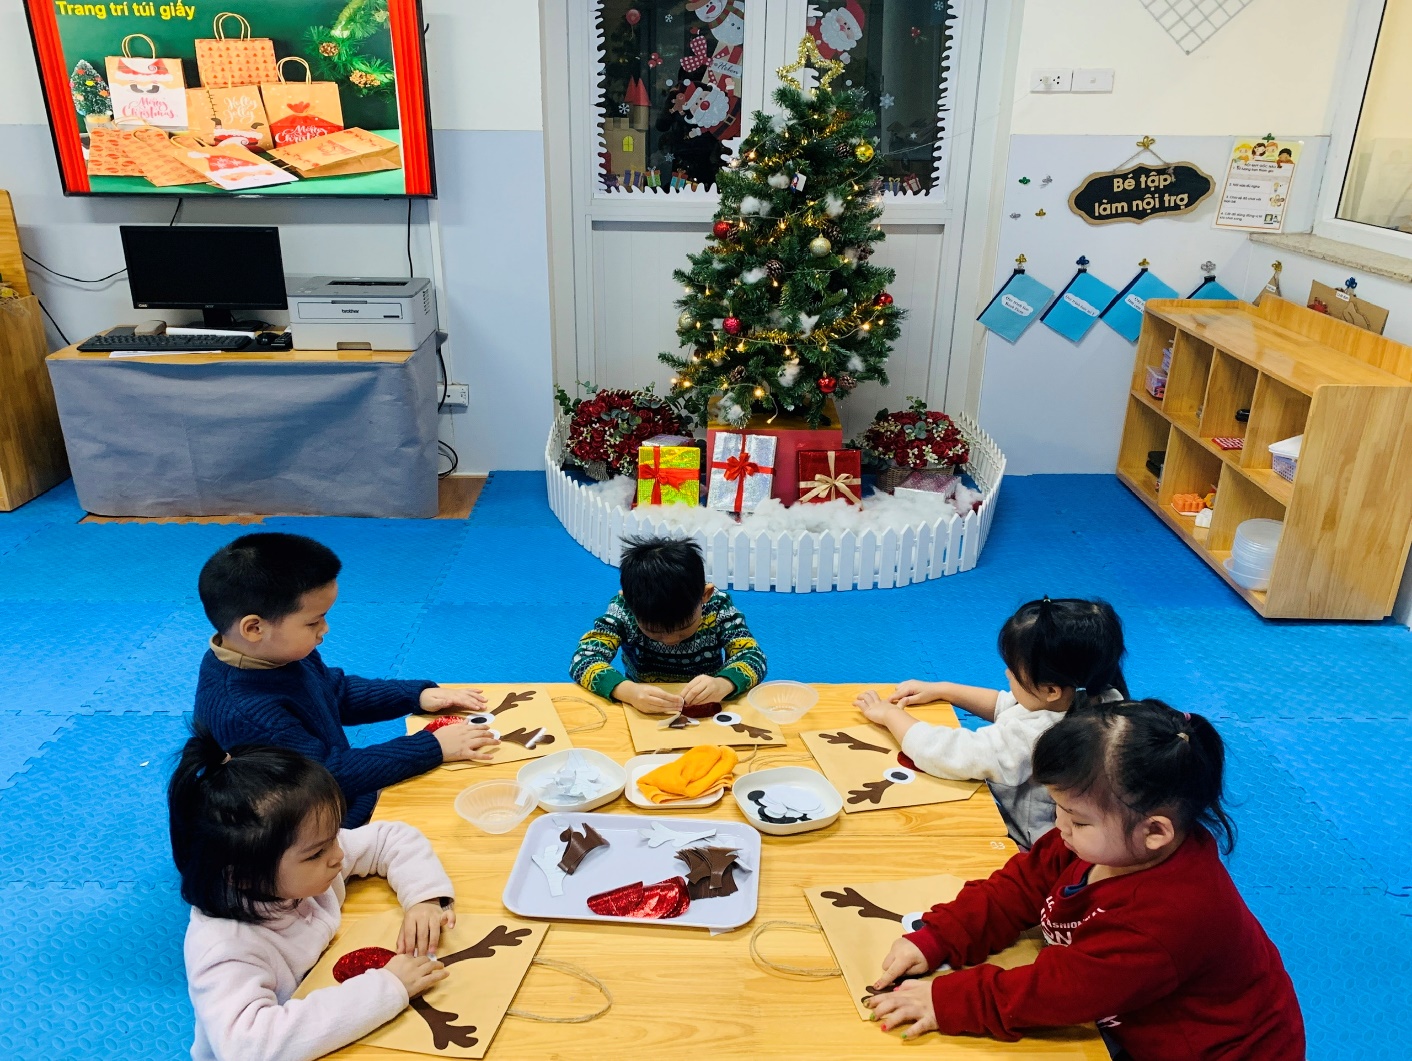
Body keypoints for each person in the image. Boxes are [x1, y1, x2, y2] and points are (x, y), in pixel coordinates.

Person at [865, 699, 1306, 1060]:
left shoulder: (1164, 918)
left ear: (1155, 831)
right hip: (1131, 1010)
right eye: (1057, 808)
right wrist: (940, 935)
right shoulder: (1104, 842)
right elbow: (1020, 885)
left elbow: (1059, 992)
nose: (1059, 826)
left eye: (1077, 819)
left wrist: (945, 1001)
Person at [170, 731, 456, 1061]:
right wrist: (388, 987)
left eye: (334, 836)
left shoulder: (300, 867)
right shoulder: (226, 949)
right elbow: (250, 1047)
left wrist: (423, 898)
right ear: (244, 877)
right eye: (317, 852)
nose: (338, 855)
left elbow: (390, 838)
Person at [194, 532, 498, 827]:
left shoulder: (276, 652)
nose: (324, 628)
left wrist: (414, 695)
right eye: (314, 621)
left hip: (338, 793)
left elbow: (335, 692)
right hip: (314, 827)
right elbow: (326, 775)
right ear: (254, 629)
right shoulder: (248, 713)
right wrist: (431, 747)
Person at [854, 598, 1127, 846]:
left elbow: (951, 753)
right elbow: (1007, 706)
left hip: (1030, 843)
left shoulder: (1040, 736)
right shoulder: (1096, 696)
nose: (1007, 673)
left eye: (1014, 673)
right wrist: (945, 690)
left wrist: (891, 715)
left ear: (1051, 690)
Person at [570, 536, 766, 714]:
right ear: (628, 603)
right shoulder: (623, 610)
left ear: (705, 595)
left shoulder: (717, 606)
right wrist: (628, 692)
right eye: (655, 632)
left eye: (683, 629)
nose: (671, 640)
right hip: (644, 705)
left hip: (706, 703)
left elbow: (752, 656)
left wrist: (724, 683)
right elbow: (583, 659)